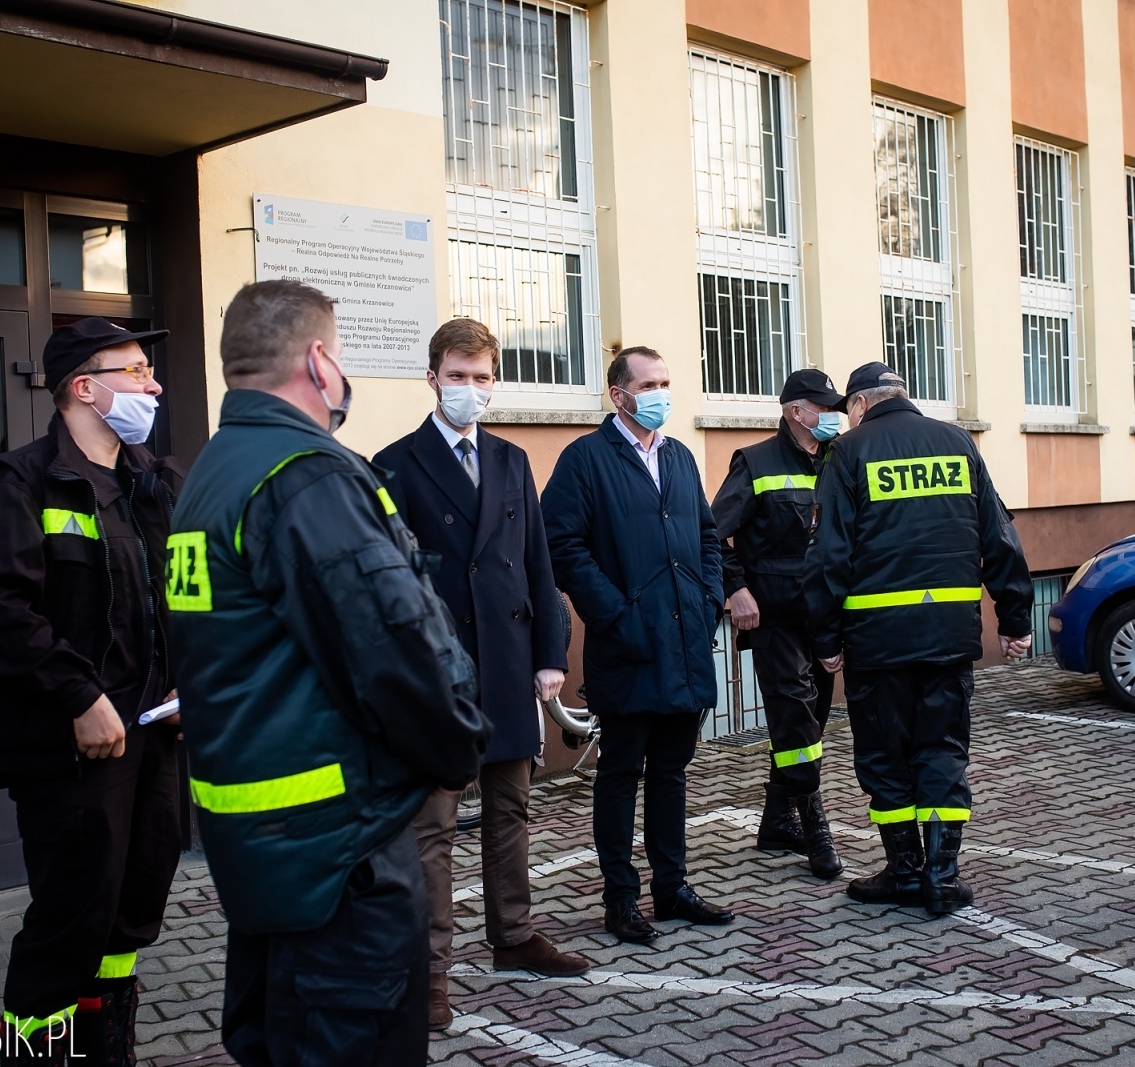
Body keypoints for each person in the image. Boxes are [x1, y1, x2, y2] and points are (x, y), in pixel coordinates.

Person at [166, 280, 487, 1066]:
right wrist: (458, 746)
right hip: (340, 856)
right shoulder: (305, 475)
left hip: (264, 850)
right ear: (318, 360)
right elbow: (395, 651)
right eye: (339, 356)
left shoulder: (213, 472)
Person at [0, 317, 181, 1066]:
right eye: (137, 370)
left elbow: (182, 596)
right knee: (71, 920)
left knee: (131, 910)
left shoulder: (154, 481)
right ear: (85, 386)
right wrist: (78, 696)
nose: (154, 385)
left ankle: (106, 1047)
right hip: (73, 749)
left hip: (153, 736)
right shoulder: (18, 482)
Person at [375, 318, 588, 1028]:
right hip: (436, 673)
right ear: (431, 376)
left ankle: (515, 934)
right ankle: (428, 971)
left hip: (507, 661)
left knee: (511, 811)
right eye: (458, 375)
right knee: (433, 826)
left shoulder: (510, 459)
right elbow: (387, 582)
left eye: (482, 377)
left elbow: (538, 563)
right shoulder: (394, 465)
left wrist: (551, 653)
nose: (471, 389)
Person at [804, 362, 1033, 916]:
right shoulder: (957, 443)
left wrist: (825, 636)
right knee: (943, 751)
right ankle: (942, 876)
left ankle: (904, 871)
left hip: (876, 643)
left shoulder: (849, 453)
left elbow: (829, 556)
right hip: (949, 637)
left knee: (886, 755)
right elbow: (999, 537)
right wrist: (1015, 620)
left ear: (859, 405)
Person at [543, 346, 733, 945]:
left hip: (683, 641)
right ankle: (620, 899)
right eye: (648, 383)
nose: (660, 393)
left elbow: (706, 536)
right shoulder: (585, 460)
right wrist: (616, 615)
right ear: (618, 394)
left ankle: (672, 888)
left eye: (666, 381)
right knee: (621, 773)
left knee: (672, 772)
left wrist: (707, 601)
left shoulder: (677, 456)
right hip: (627, 647)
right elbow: (562, 546)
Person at [710, 368, 846, 881]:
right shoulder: (756, 462)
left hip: (824, 615)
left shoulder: (841, 459)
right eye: (824, 407)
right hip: (773, 615)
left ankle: (775, 821)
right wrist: (735, 588)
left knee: (809, 719)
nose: (833, 415)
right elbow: (712, 533)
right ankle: (815, 826)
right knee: (794, 717)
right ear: (796, 411)